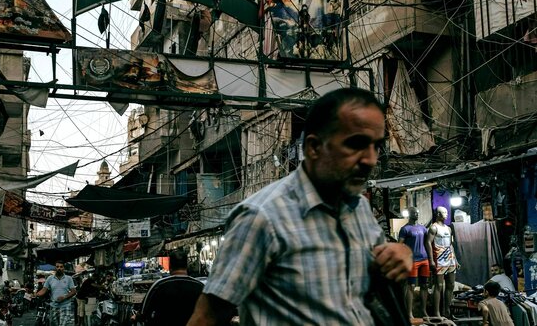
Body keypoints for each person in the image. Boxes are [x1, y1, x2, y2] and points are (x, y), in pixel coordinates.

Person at [186, 87, 413, 325]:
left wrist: (401, 253)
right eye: (355, 144)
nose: (370, 159)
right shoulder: (261, 217)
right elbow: (207, 316)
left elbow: (374, 278)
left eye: (376, 146)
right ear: (314, 147)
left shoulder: (359, 209)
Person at [133, 249, 204, 326]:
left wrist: (135, 317)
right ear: (187, 265)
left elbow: (143, 314)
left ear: (170, 266)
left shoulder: (159, 285)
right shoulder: (200, 286)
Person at [426, 206, 458, 318]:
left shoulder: (448, 228)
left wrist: (455, 259)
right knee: (438, 286)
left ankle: (447, 311)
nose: (446, 214)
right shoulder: (433, 228)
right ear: (438, 214)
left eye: (446, 212)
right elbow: (428, 243)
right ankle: (437, 313)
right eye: (444, 212)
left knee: (451, 284)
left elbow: (450, 244)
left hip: (450, 258)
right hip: (439, 259)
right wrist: (431, 260)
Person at [399, 207, 430, 318]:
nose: (416, 214)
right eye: (414, 213)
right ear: (409, 214)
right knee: (411, 286)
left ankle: (423, 310)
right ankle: (409, 313)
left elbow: (428, 243)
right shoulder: (405, 229)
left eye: (417, 213)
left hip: (424, 259)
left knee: (424, 285)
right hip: (412, 261)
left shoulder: (423, 228)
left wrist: (431, 259)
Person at [34, 261, 77, 326]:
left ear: (63, 268)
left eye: (61, 267)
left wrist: (64, 297)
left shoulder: (69, 278)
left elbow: (74, 291)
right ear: (55, 268)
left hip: (65, 306)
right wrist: (36, 294)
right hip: (54, 306)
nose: (59, 268)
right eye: (57, 267)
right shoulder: (50, 278)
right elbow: (44, 290)